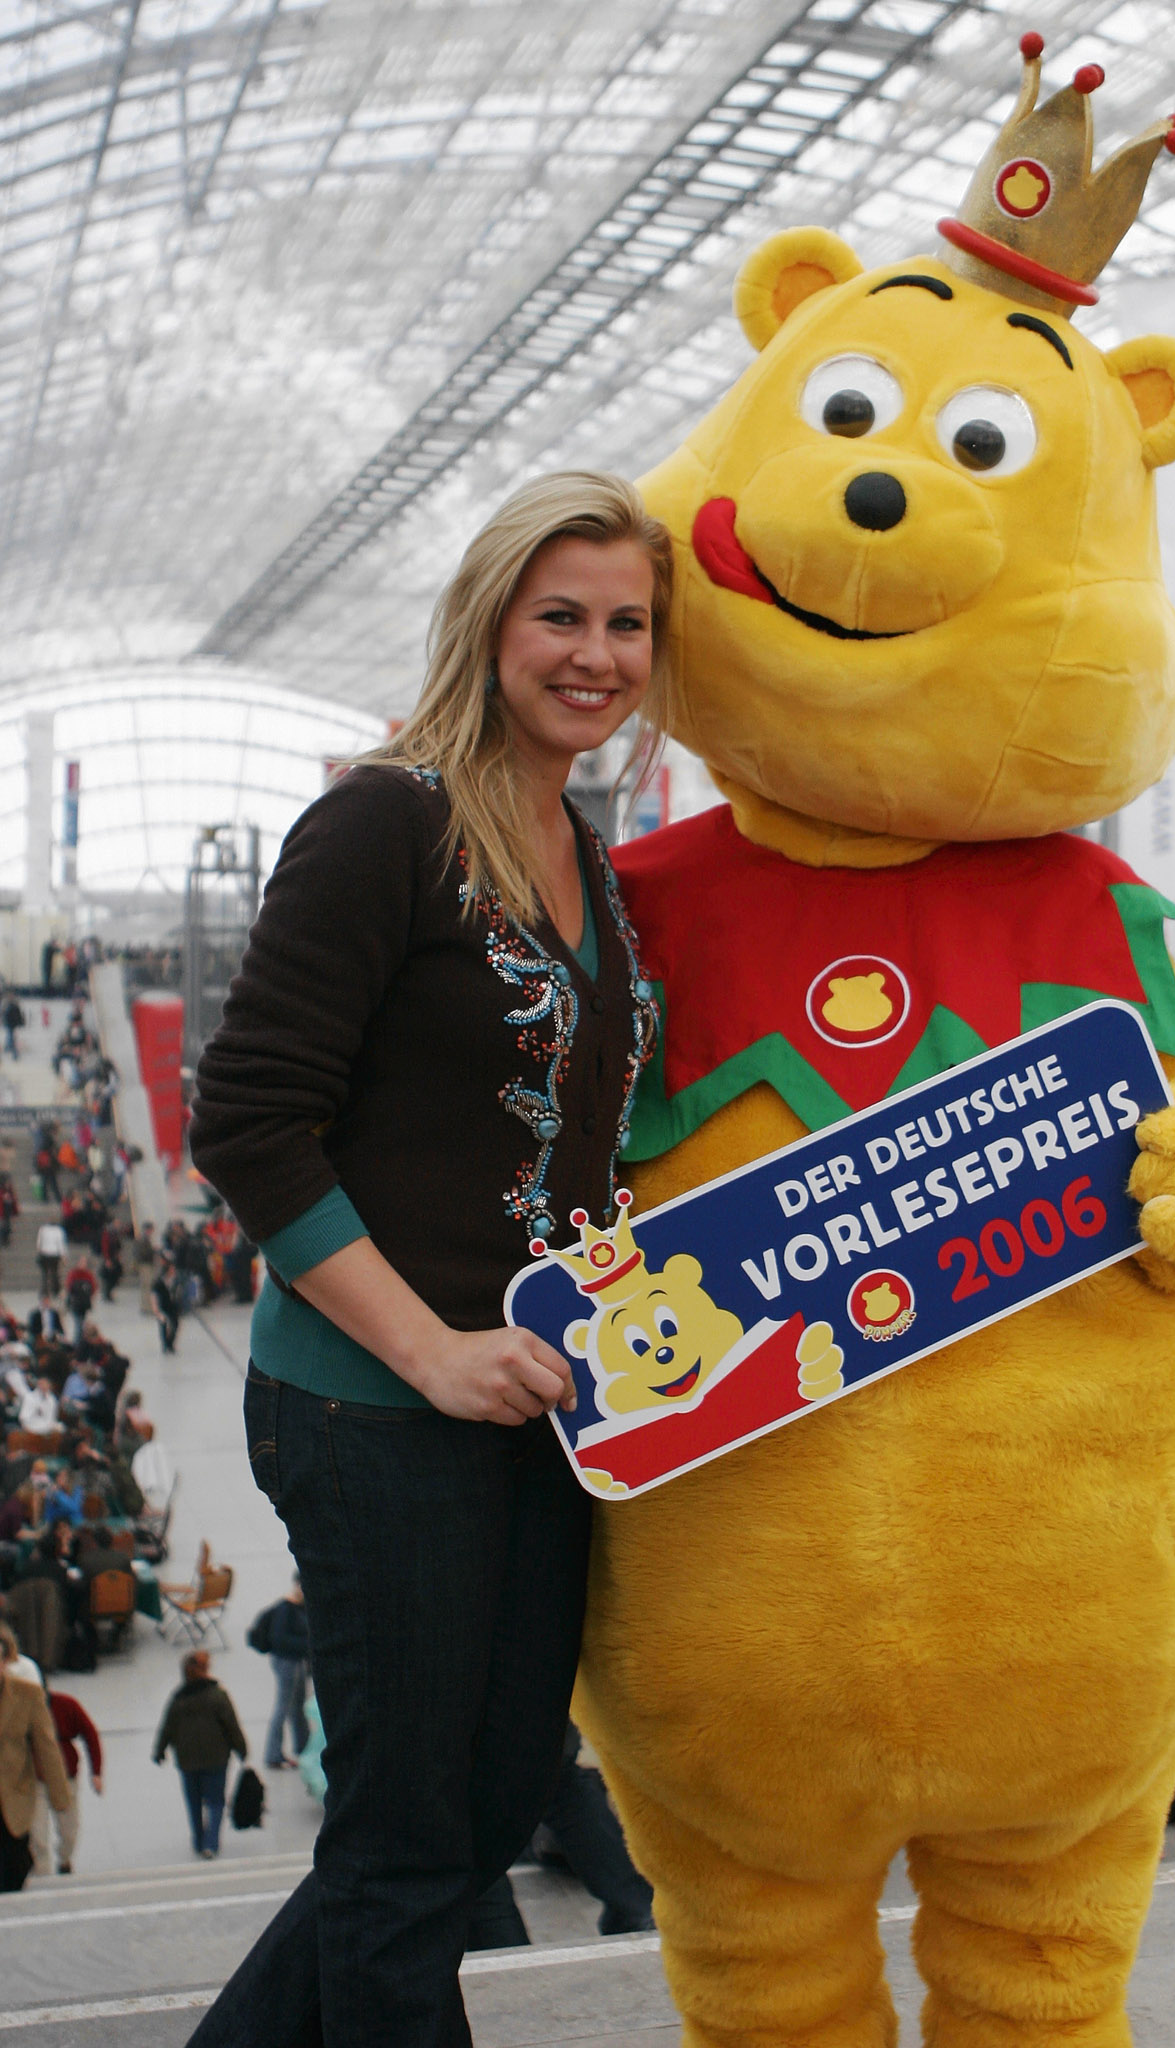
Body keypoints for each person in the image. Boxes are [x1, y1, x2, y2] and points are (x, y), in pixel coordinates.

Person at [185, 472, 669, 2048]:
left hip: (534, 1404)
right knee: (404, 1857)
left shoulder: (582, 847)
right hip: (376, 1407)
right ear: (488, 620)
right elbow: (252, 1123)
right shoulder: (384, 820)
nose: (593, 652)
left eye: (626, 623)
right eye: (561, 615)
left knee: (479, 1813)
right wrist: (429, 1352)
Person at [153, 1650, 248, 1860]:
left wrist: (159, 1751)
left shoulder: (178, 1699)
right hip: (216, 1757)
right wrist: (241, 1748)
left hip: (187, 1760)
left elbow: (167, 1728)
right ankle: (211, 1843)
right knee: (215, 1801)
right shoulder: (218, 1696)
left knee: (193, 1801)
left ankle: (198, 1839)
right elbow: (231, 1726)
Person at [0, 1622, 69, 1890]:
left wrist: (59, 1795)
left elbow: (47, 1746)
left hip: (14, 1791)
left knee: (15, 1863)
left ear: (6, 1660)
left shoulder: (27, 1694)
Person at [28, 1688, 101, 1876]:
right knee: (37, 1834)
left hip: (66, 1777)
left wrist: (96, 1772)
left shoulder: (66, 1705)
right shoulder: (22, 1708)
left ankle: (64, 1860)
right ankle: (42, 1873)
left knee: (69, 1830)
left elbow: (90, 1733)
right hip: (35, 1780)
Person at [254, 1576, 310, 1770]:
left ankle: (304, 1746)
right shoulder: (286, 1610)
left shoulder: (300, 1608)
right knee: (284, 1706)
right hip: (287, 1662)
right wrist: (308, 1646)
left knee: (298, 1706)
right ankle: (273, 1753)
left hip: (297, 1661)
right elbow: (279, 1639)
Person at [151, 1258, 180, 1354]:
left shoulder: (175, 1281)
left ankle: (170, 1343)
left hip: (172, 1306)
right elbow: (154, 1296)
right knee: (163, 1324)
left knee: (175, 1324)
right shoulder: (159, 1283)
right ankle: (165, 1344)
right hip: (162, 1306)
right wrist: (157, 1311)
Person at [35, 1218, 66, 1299]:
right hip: (55, 1254)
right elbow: (61, 1244)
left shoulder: (43, 1229)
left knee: (45, 1274)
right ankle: (56, 1290)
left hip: (44, 1253)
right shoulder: (59, 1230)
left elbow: (39, 1243)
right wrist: (63, 1256)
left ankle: (44, 1291)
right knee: (55, 1274)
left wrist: (39, 1251)